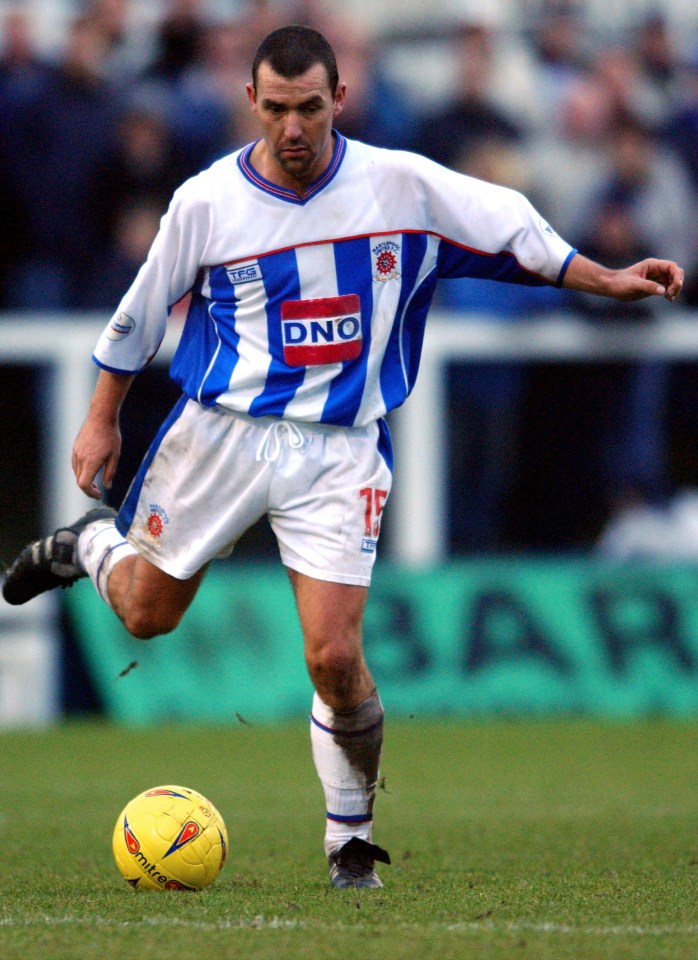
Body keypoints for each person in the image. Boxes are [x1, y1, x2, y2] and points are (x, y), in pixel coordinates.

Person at [2, 25, 684, 889]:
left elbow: (514, 229)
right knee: (145, 614)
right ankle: (89, 545)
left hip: (340, 450)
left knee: (333, 655)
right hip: (221, 433)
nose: (294, 127)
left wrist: (608, 275)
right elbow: (138, 316)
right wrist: (101, 419)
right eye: (278, 108)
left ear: (339, 102)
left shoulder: (399, 184)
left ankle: (350, 841)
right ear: (252, 102)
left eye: (311, 108)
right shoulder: (208, 202)